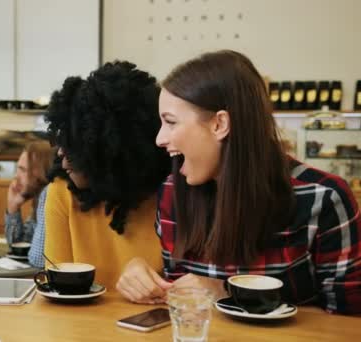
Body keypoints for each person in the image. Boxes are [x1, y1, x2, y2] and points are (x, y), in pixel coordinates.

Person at [117, 50, 361, 314]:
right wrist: (144, 277)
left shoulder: (323, 197)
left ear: (220, 124)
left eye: (171, 122)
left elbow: (348, 318)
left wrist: (230, 293)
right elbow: (181, 294)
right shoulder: (170, 192)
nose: (159, 139)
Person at [43, 61, 172, 288]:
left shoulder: (170, 194)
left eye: (77, 146)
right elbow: (56, 288)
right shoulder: (61, 192)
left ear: (114, 150)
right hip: (80, 322)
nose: (62, 155)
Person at [5, 141, 54, 268]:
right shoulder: (38, 197)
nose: (16, 176)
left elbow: (38, 260)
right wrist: (13, 208)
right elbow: (21, 246)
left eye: (22, 169)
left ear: (40, 171)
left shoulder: (49, 193)